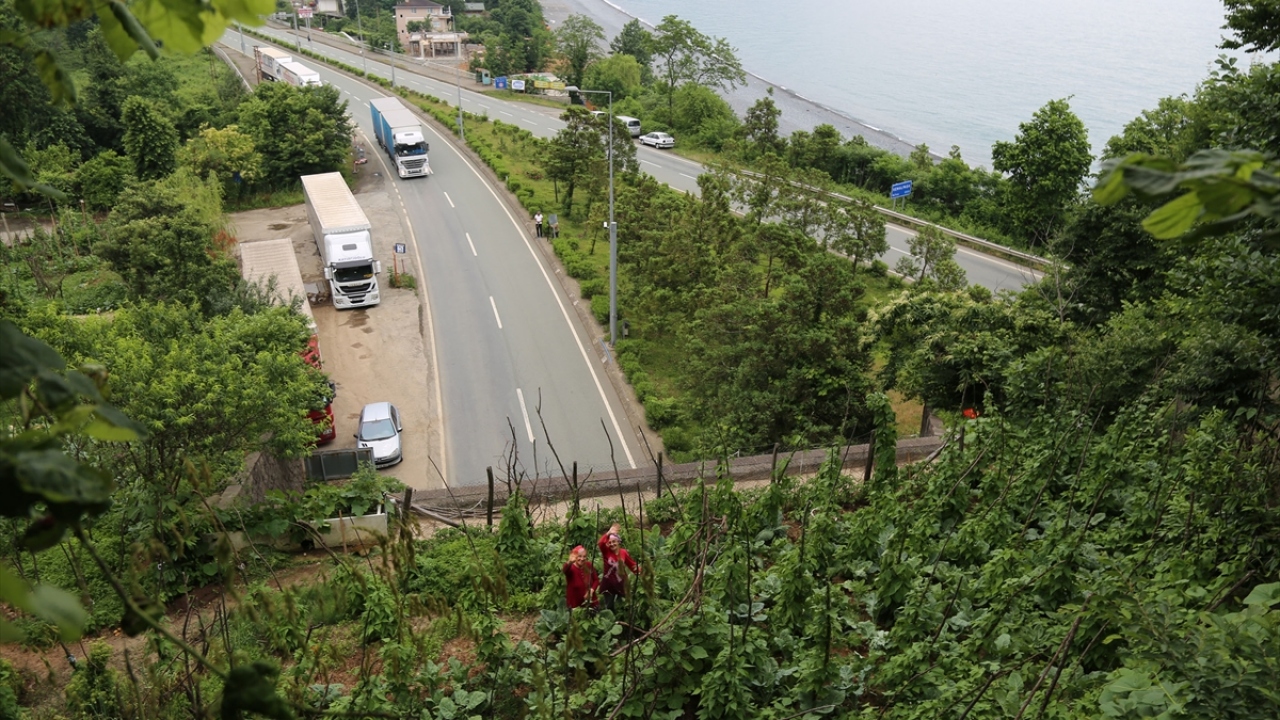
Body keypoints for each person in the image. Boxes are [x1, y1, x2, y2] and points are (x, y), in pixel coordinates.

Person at [597, 524, 639, 611]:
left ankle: (624, 619)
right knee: (609, 606)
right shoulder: (606, 552)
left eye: (614, 542)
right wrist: (608, 533)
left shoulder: (623, 553)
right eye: (610, 542)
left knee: (625, 604)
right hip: (609, 583)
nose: (612, 544)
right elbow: (600, 543)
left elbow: (632, 565)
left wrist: (641, 573)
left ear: (618, 542)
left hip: (621, 582)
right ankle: (611, 622)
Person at [562, 545, 598, 610]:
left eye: (584, 556)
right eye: (579, 556)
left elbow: (596, 580)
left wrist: (591, 590)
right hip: (575, 604)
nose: (582, 559)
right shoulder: (571, 568)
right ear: (575, 557)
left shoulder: (588, 565)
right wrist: (569, 562)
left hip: (590, 602)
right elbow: (565, 570)